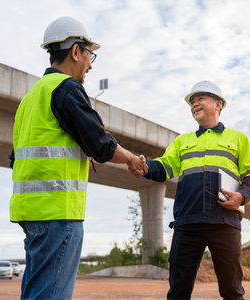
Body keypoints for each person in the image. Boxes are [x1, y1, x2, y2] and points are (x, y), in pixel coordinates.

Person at [9, 16, 147, 299]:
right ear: (75, 51)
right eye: (89, 54)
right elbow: (100, 144)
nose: (91, 64)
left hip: (30, 213)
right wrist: (132, 159)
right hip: (58, 213)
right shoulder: (66, 88)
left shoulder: (30, 98)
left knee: (36, 293)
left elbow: (15, 157)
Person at [135, 81, 250, 300]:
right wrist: (145, 166)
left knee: (232, 291)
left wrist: (242, 196)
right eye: (192, 102)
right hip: (188, 223)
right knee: (178, 292)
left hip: (225, 222)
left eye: (200, 99)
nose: (194, 104)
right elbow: (163, 168)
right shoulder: (182, 141)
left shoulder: (238, 138)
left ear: (218, 104)